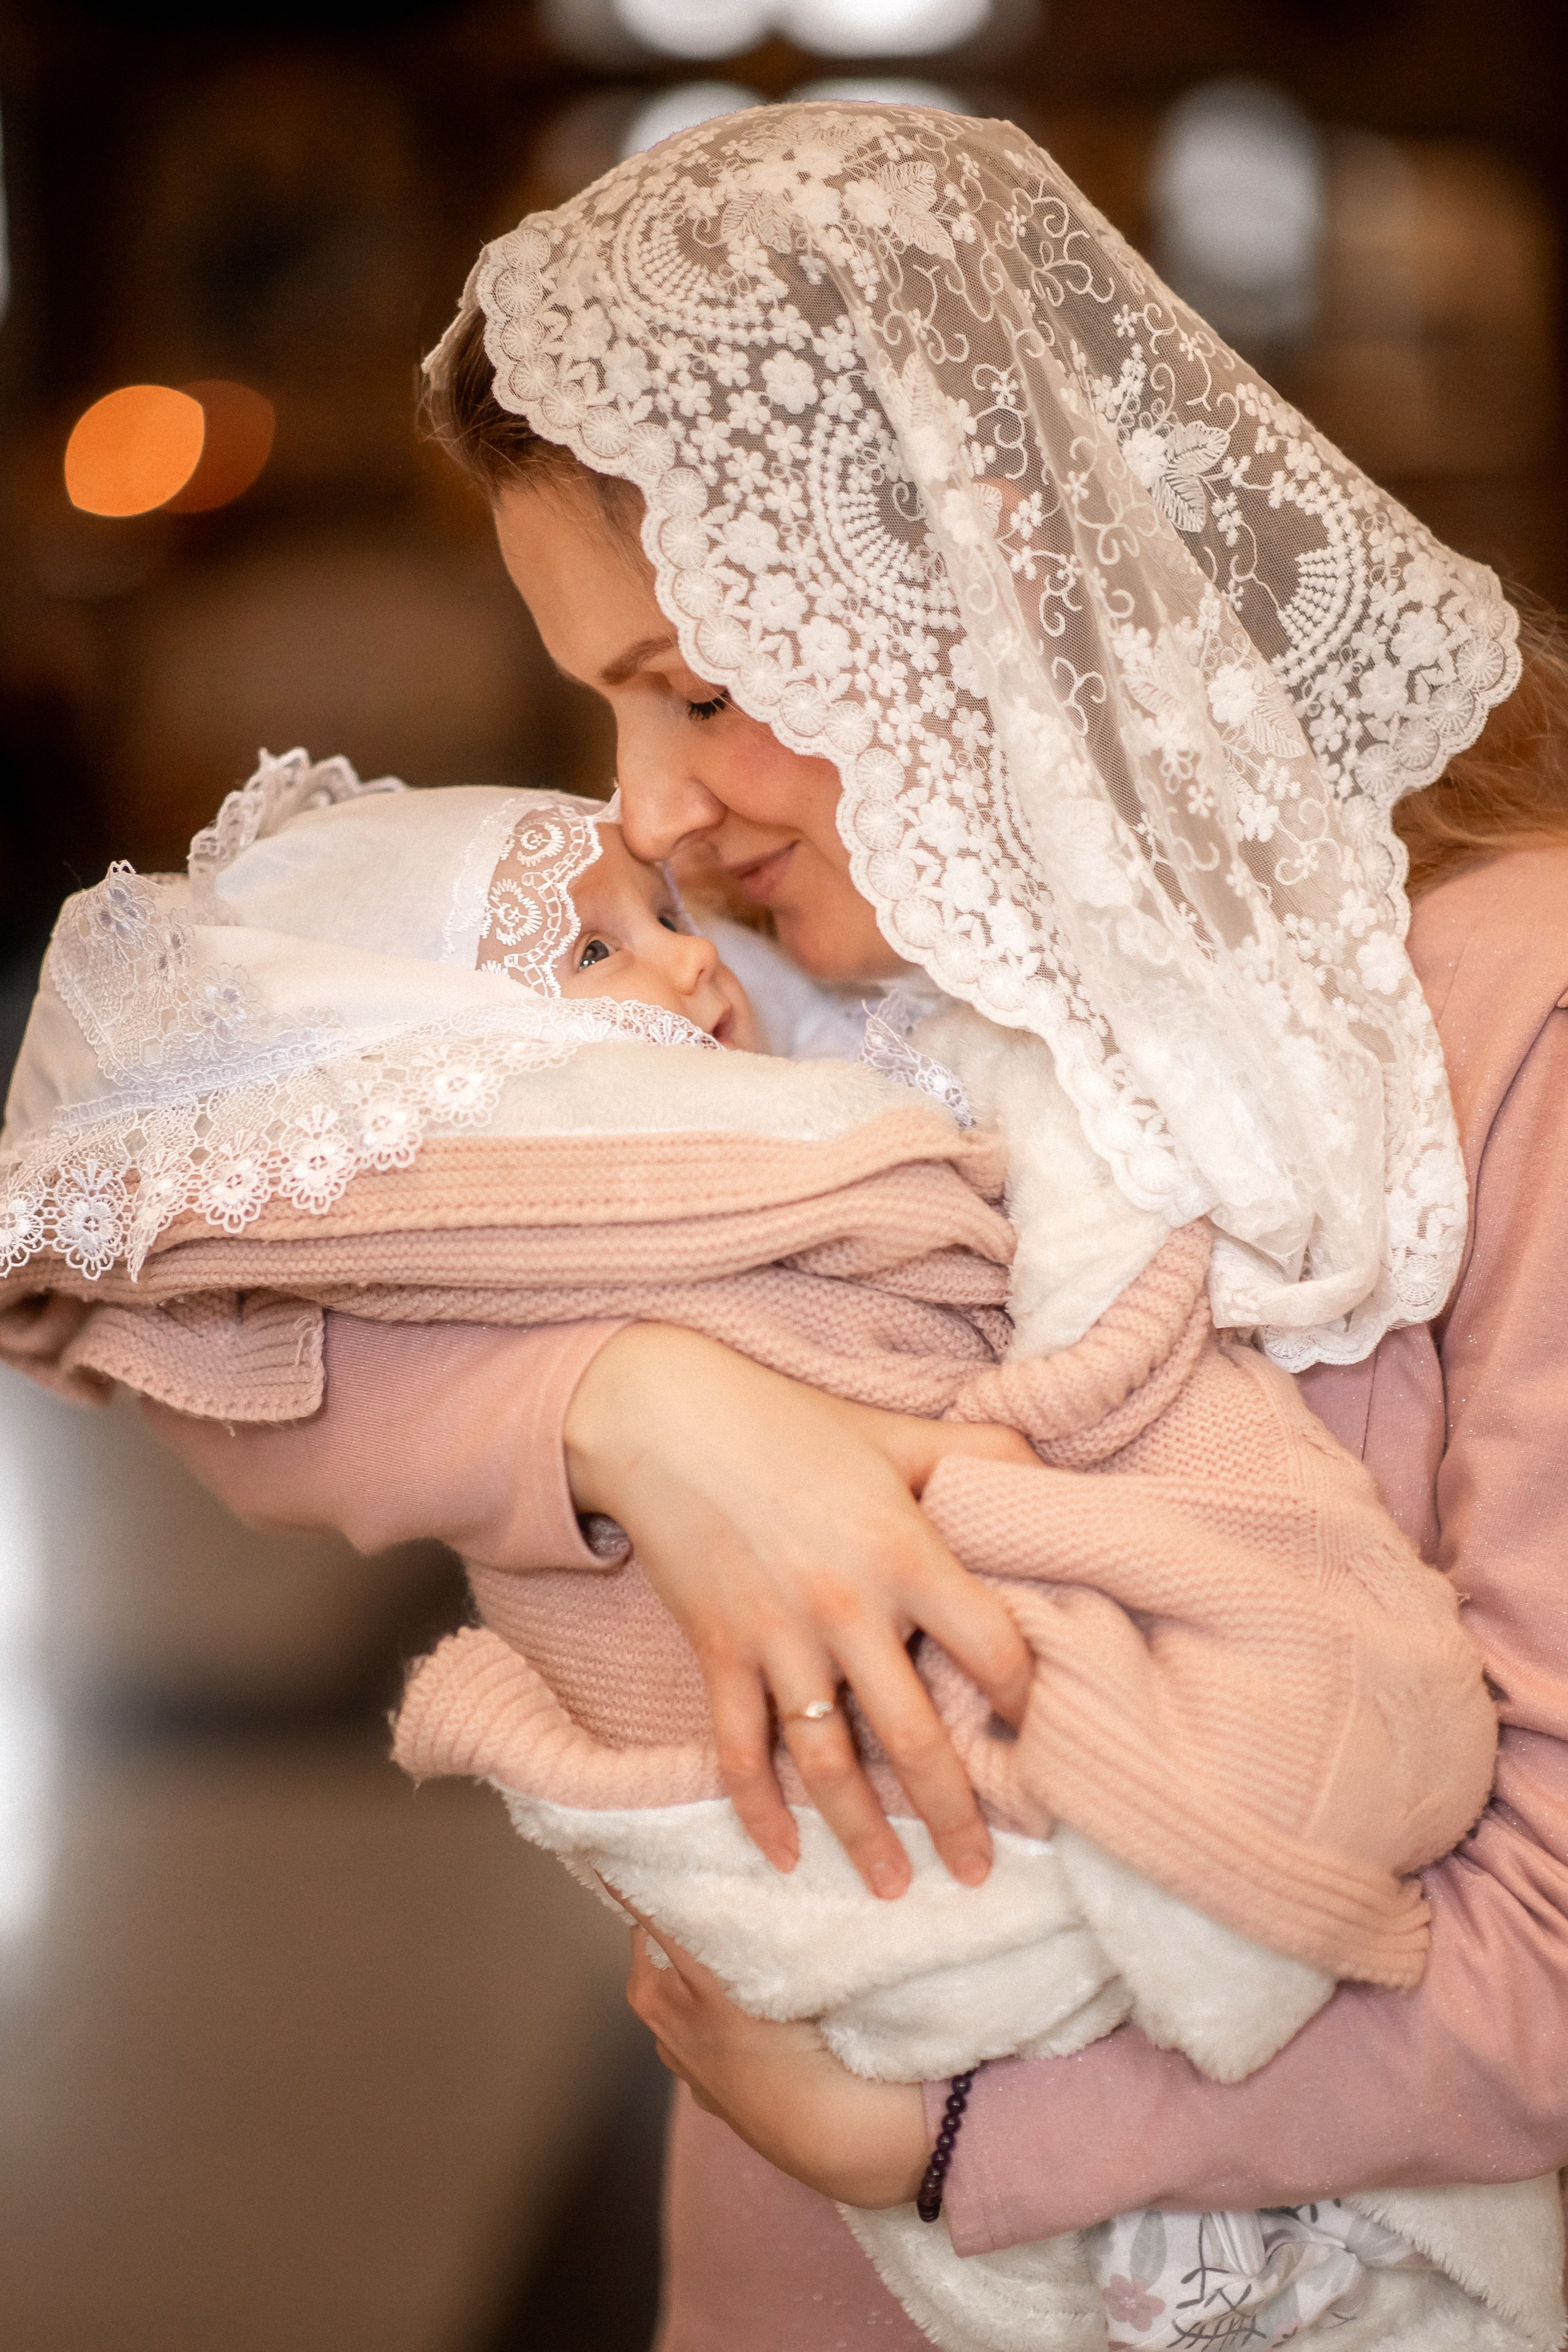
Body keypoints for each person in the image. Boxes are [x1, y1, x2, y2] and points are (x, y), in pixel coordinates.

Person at [10, 100, 1568, 2348]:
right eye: (599, 695)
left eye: (704, 688)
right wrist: (641, 1411)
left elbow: (1540, 1942)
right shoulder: (747, 952)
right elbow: (152, 1263)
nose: (642, 804)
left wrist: (953, 2150)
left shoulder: (1500, 1023)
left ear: (982, 572)